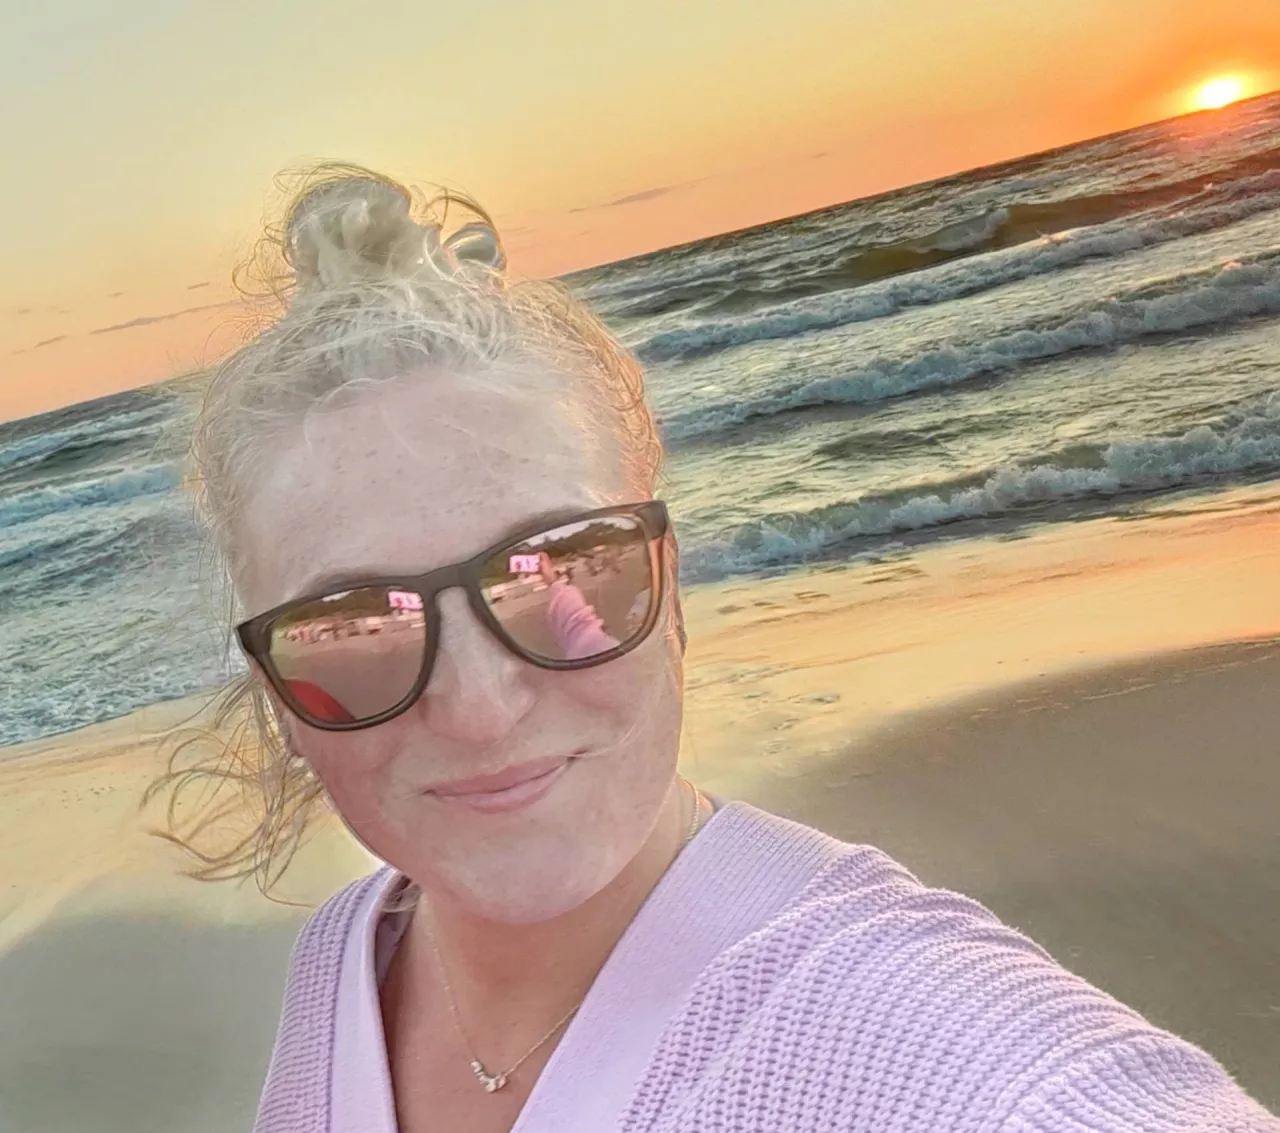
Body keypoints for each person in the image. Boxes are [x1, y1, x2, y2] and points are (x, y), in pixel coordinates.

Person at [156, 165, 1279, 1132]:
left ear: (669, 579)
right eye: (352, 627)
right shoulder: (345, 962)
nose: (482, 706)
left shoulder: (938, 1044)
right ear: (276, 693)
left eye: (561, 569)